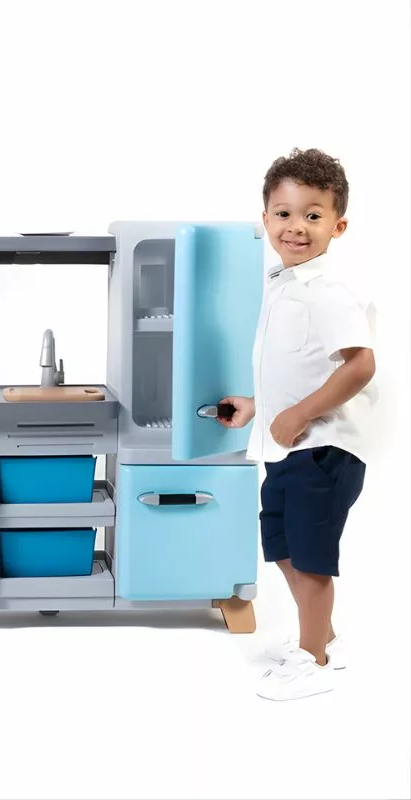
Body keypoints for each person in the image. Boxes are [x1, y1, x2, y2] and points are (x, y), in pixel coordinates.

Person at [218, 148, 377, 701]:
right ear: (265, 219)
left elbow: (360, 364)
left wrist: (301, 414)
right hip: (290, 448)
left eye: (313, 215)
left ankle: (316, 659)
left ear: (339, 225)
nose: (296, 227)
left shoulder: (326, 292)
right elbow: (299, 365)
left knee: (310, 556)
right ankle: (321, 633)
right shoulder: (285, 285)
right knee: (281, 542)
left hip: (324, 449)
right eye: (283, 213)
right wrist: (259, 404)